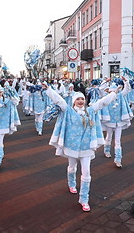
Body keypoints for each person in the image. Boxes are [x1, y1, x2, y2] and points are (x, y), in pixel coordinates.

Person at [41, 81, 119, 212]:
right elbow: (59, 100)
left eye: (82, 98)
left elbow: (102, 103)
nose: (81, 101)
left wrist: (113, 94)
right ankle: (71, 184)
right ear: (73, 101)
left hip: (86, 147)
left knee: (86, 172)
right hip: (71, 146)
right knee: (72, 167)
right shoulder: (68, 111)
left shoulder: (90, 111)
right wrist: (48, 89)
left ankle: (84, 199)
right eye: (78, 99)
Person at [100, 77, 133, 168]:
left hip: (119, 122)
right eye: (111, 91)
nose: (113, 93)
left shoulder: (120, 96)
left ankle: (118, 159)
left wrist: (126, 81)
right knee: (109, 137)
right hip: (110, 121)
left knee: (118, 140)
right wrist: (105, 81)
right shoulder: (106, 97)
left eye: (115, 91)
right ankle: (106, 151)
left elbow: (127, 89)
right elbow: (101, 89)